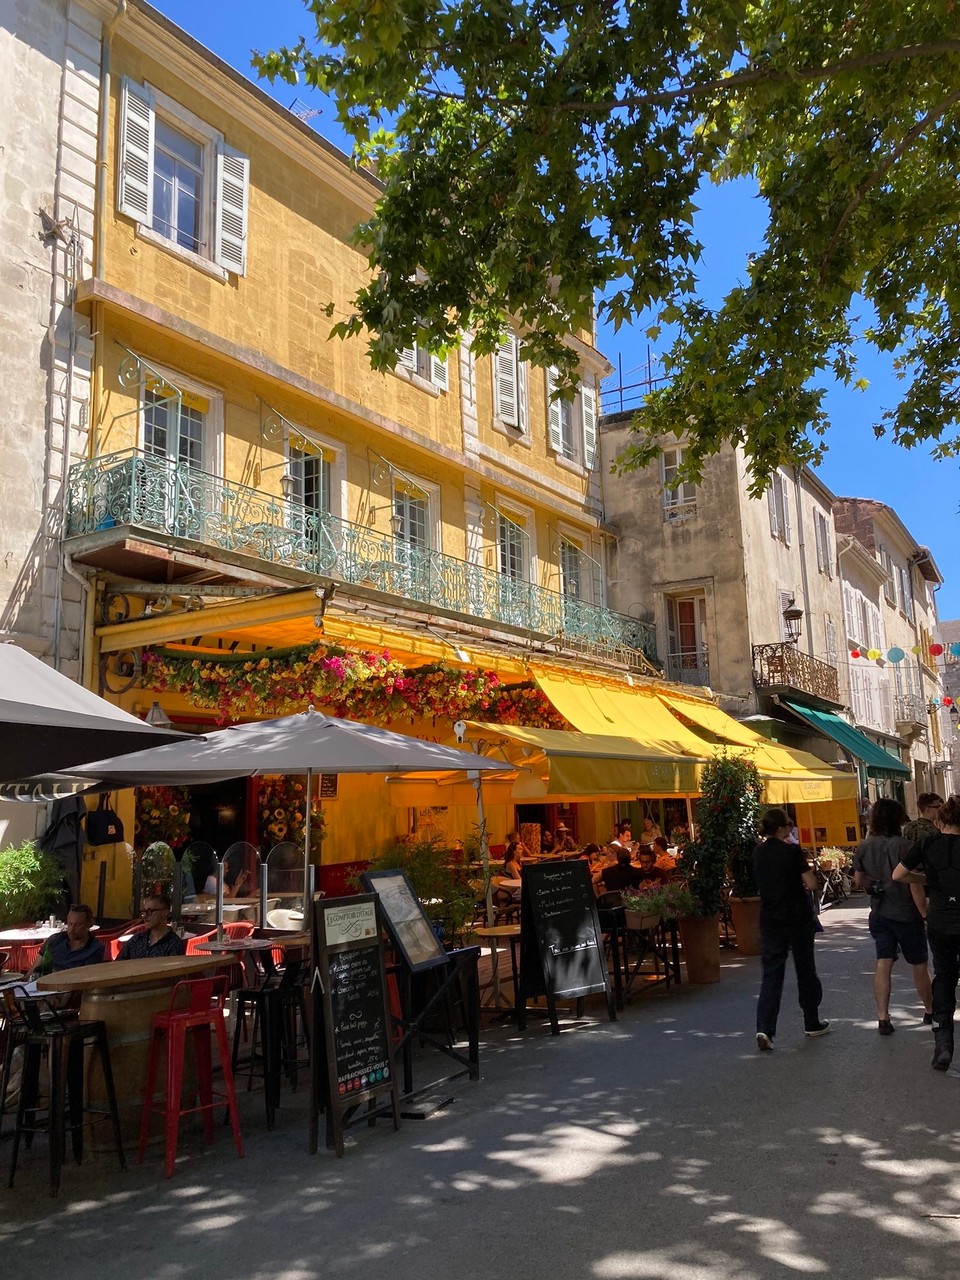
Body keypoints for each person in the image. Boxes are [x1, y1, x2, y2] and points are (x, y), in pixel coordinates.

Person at [852, 798, 932, 1035]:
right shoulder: (905, 846)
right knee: (919, 963)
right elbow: (914, 885)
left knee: (883, 962)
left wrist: (875, 884)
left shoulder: (864, 847)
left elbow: (858, 881)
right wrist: (924, 913)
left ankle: (883, 1017)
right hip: (906, 913)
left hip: (879, 912)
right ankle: (929, 1009)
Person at [893, 794, 960, 1070]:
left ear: (941, 820)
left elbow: (898, 875)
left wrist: (926, 879)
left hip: (940, 920)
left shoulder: (927, 843)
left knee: (944, 975)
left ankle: (943, 1041)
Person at [753, 808, 830, 1050]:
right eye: (788, 824)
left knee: (771, 975)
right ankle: (811, 1021)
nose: (791, 828)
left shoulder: (757, 853)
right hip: (797, 918)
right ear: (780, 828)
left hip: (770, 918)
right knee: (805, 969)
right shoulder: (792, 851)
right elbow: (810, 882)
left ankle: (765, 1028)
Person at [30, 904, 104, 975]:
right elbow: (33, 970)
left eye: (77, 925)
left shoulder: (95, 948)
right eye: (70, 924)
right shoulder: (55, 939)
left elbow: (86, 978)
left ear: (89, 925)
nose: (71, 929)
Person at [118, 894, 187, 960]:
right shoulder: (136, 940)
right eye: (144, 911)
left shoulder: (174, 944)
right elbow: (117, 964)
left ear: (165, 912)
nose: (145, 916)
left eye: (149, 911)